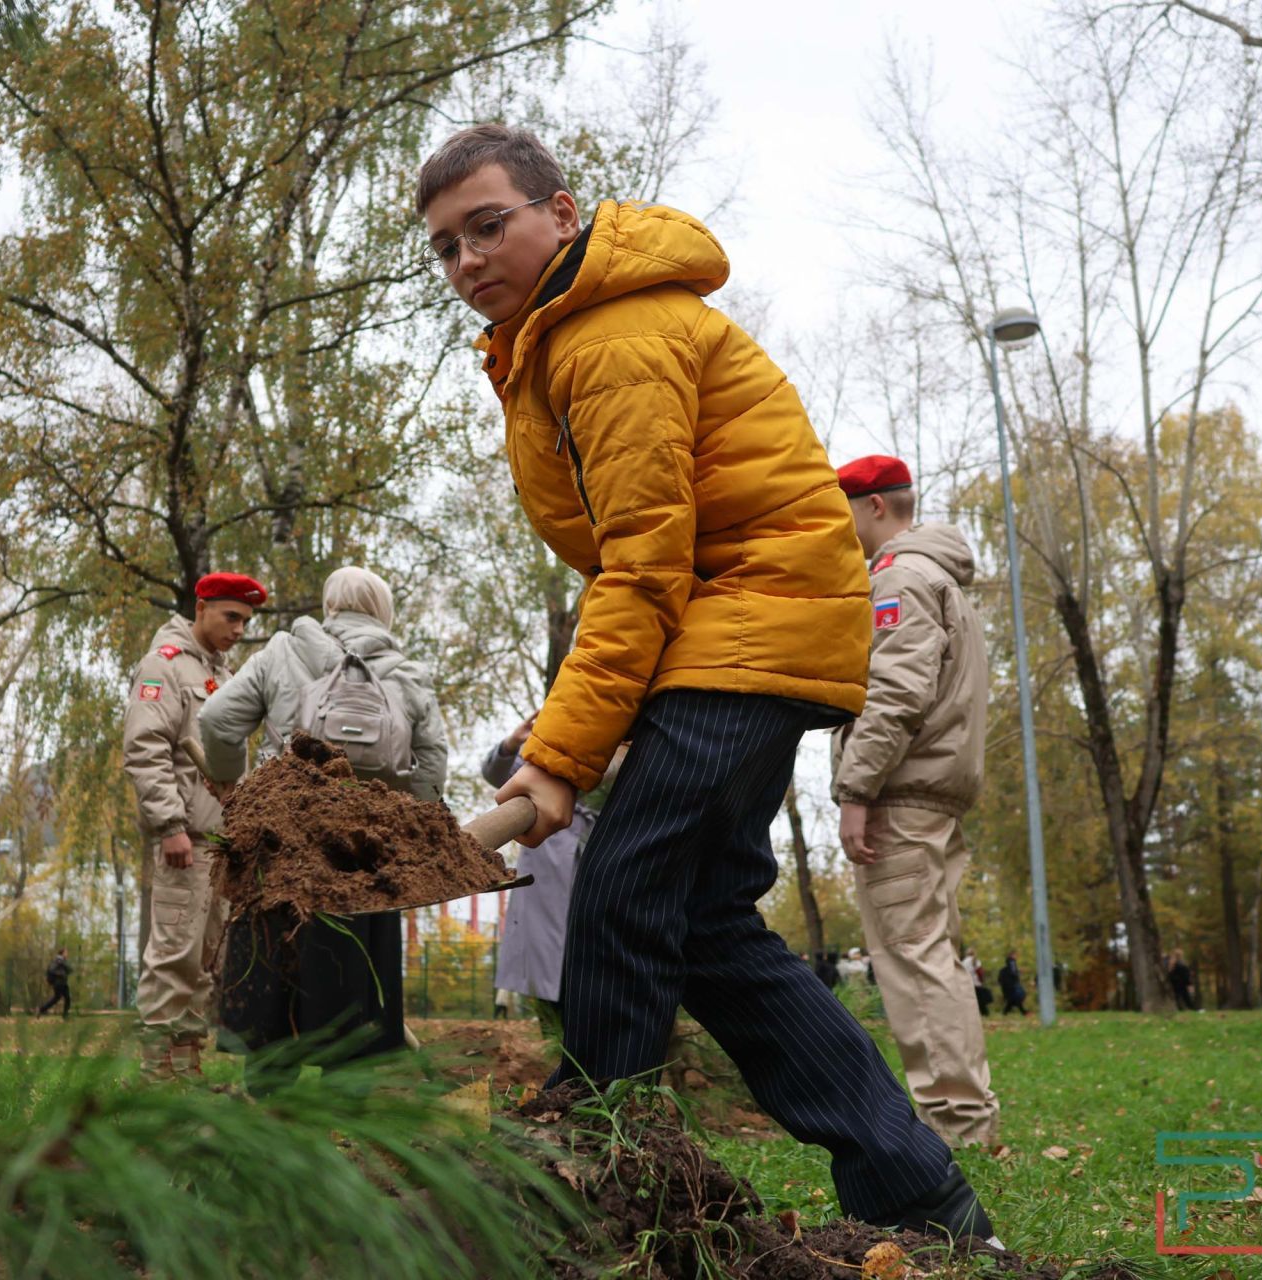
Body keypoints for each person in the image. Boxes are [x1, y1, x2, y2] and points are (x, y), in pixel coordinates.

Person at [418, 123, 994, 1241]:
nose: (468, 260)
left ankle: (593, 1183)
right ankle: (919, 1191)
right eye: (444, 247)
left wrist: (560, 759)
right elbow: (637, 569)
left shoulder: (611, 336)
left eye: (490, 225)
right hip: (735, 628)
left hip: (754, 621)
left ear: (563, 211)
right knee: (705, 924)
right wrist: (571, 726)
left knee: (627, 892)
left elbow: (643, 564)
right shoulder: (556, 341)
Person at [197, 566, 448, 1092]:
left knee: (272, 973)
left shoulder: (282, 652)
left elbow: (217, 720)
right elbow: (431, 767)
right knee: (356, 977)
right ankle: (347, 1112)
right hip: (365, 857)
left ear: (330, 607)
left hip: (278, 845)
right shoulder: (407, 673)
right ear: (383, 614)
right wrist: (406, 832)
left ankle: (268, 1106)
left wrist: (232, 786)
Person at [830, 453, 1000, 1149]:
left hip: (900, 793)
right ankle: (967, 1120)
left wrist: (855, 790)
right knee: (930, 951)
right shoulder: (942, 578)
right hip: (929, 793)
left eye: (843, 510)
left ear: (874, 507)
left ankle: (957, 1128)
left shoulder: (899, 577)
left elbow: (897, 694)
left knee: (911, 955)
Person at [123, 571, 265, 1077]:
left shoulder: (221, 675)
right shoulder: (164, 667)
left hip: (218, 844)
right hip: (186, 840)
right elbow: (145, 749)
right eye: (231, 616)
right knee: (173, 957)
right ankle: (157, 1074)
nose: (239, 628)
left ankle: (185, 1069)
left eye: (246, 620)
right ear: (201, 607)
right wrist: (169, 825)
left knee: (204, 963)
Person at [481, 713, 613, 1043]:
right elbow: (498, 776)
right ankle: (556, 1049)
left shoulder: (619, 739)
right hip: (545, 867)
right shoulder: (545, 744)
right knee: (545, 966)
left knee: (589, 963)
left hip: (599, 856)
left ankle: (584, 1052)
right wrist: (514, 741)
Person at [37, 946, 72, 1018]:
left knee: (57, 999)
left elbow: (69, 969)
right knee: (67, 998)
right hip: (60, 983)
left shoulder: (61, 961)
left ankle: (41, 1009)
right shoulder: (58, 961)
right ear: (62, 953)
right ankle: (65, 1016)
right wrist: (61, 974)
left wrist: (65, 972)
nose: (67, 954)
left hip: (61, 983)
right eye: (66, 952)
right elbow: (51, 970)